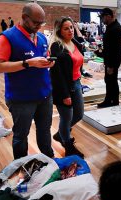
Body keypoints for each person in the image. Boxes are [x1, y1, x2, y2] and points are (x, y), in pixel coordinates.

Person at [0, 3, 55, 159]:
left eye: (41, 23)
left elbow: (44, 56)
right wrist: (28, 63)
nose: (39, 26)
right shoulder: (7, 37)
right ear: (24, 18)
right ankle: (21, 166)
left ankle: (49, 159)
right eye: (36, 23)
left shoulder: (41, 37)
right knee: (21, 135)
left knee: (45, 131)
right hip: (21, 99)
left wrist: (49, 62)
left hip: (44, 95)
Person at [50, 17, 86, 158]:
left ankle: (61, 134)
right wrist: (65, 95)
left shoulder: (75, 43)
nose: (70, 30)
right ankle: (68, 146)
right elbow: (56, 74)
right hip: (63, 87)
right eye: (66, 28)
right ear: (59, 30)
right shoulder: (57, 46)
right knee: (66, 118)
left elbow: (78, 60)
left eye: (71, 27)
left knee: (79, 114)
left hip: (76, 83)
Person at [95, 8, 121, 108]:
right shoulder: (111, 27)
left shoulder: (115, 29)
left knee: (111, 80)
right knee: (110, 80)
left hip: (113, 61)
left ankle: (111, 101)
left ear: (108, 16)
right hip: (111, 59)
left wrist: (111, 65)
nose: (102, 19)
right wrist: (100, 53)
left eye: (103, 17)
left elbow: (114, 49)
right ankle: (112, 100)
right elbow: (109, 47)